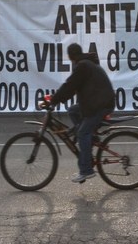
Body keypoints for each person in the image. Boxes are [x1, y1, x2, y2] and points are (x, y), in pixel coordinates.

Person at [41, 43, 115, 183]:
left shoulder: (82, 66)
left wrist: (53, 101)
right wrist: (56, 98)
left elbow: (70, 85)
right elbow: (73, 88)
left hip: (100, 104)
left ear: (69, 57)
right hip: (97, 102)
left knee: (82, 133)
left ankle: (86, 170)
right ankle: (92, 137)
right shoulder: (85, 64)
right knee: (73, 110)